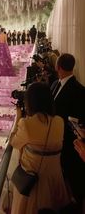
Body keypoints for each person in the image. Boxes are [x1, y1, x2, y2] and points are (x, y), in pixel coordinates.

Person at [10, 82, 70, 214]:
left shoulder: (26, 124)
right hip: (55, 179)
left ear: (30, 102)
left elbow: (14, 142)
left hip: (33, 183)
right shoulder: (59, 121)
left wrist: (19, 117)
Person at [51, 53, 85, 211]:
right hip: (55, 141)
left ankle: (76, 205)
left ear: (58, 67)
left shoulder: (79, 90)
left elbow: (78, 120)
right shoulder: (54, 85)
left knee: (73, 178)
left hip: (70, 145)